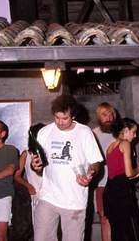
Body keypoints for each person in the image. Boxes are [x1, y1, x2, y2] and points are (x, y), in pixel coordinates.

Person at [31, 94, 103, 241]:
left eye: (64, 118)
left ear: (73, 116)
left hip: (74, 200)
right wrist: (36, 166)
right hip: (48, 196)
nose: (60, 122)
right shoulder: (44, 132)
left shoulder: (84, 132)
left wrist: (90, 173)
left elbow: (96, 162)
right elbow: (39, 166)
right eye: (57, 118)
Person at [104, 118, 139, 241]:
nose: (135, 135)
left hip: (110, 193)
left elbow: (120, 176)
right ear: (126, 130)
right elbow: (129, 173)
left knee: (118, 234)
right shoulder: (125, 144)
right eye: (134, 132)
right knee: (132, 232)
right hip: (122, 196)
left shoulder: (110, 146)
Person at [13, 123, 46, 240]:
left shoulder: (50, 151)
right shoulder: (26, 153)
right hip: (36, 195)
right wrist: (28, 185)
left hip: (52, 194)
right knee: (38, 229)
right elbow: (16, 175)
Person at [92, 102, 117, 241]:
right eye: (104, 115)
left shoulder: (120, 133)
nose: (108, 118)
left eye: (110, 114)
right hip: (101, 183)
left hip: (118, 183)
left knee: (119, 219)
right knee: (104, 218)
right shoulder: (93, 134)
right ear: (98, 117)